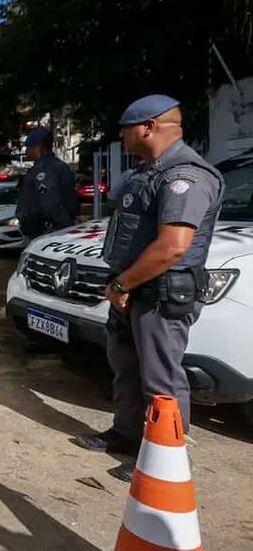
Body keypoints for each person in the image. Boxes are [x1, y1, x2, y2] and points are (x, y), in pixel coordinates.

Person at [75, 95, 223, 481]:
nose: (121, 136)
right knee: (125, 367)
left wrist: (125, 282)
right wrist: (121, 283)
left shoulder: (185, 177)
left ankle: (166, 458)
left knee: (162, 380)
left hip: (160, 292)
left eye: (126, 128)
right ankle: (126, 434)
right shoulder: (145, 172)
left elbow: (173, 246)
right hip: (132, 288)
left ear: (149, 127)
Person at [16, 127, 78, 240]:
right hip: (52, 231)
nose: (26, 152)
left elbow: (49, 203)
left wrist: (46, 227)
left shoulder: (45, 170)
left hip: (46, 232)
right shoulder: (59, 167)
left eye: (29, 147)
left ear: (39, 147)